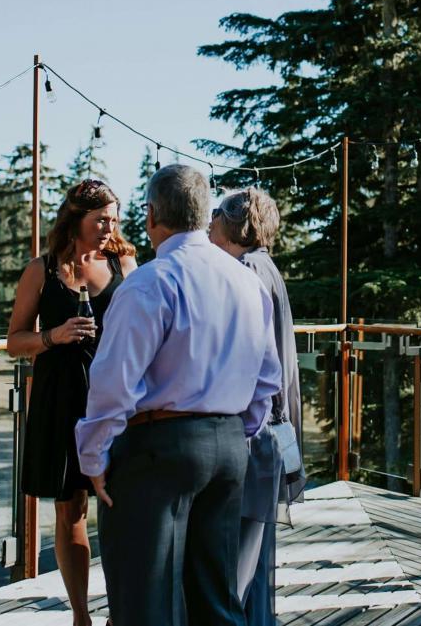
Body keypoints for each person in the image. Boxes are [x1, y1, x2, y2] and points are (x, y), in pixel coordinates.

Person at [76, 165, 282, 625]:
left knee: (146, 605)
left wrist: (93, 459)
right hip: (230, 448)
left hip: (158, 452)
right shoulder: (246, 281)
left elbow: (113, 385)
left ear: (151, 216)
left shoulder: (149, 283)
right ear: (202, 214)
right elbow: (268, 378)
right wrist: (235, 433)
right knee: (217, 599)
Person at [6, 179, 138, 626]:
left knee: (123, 503)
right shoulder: (41, 270)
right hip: (61, 396)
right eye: (101, 218)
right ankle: (81, 615)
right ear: (75, 219)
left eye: (114, 219)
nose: (109, 227)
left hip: (115, 395)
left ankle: (123, 609)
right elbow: (14, 341)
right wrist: (53, 336)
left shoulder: (124, 262)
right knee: (71, 508)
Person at [209, 187, 305, 626]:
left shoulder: (245, 269)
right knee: (256, 563)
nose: (208, 224)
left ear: (234, 225)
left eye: (215, 216)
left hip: (252, 432)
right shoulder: (265, 267)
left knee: (237, 570)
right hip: (267, 430)